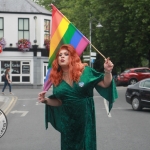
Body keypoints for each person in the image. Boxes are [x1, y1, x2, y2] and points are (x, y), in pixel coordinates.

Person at [38, 44, 118, 150]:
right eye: (60, 55)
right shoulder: (56, 79)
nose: (62, 56)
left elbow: (105, 84)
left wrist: (107, 71)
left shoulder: (86, 72)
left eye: (66, 54)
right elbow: (60, 102)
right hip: (68, 122)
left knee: (86, 145)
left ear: (72, 57)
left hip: (85, 119)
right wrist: (46, 100)